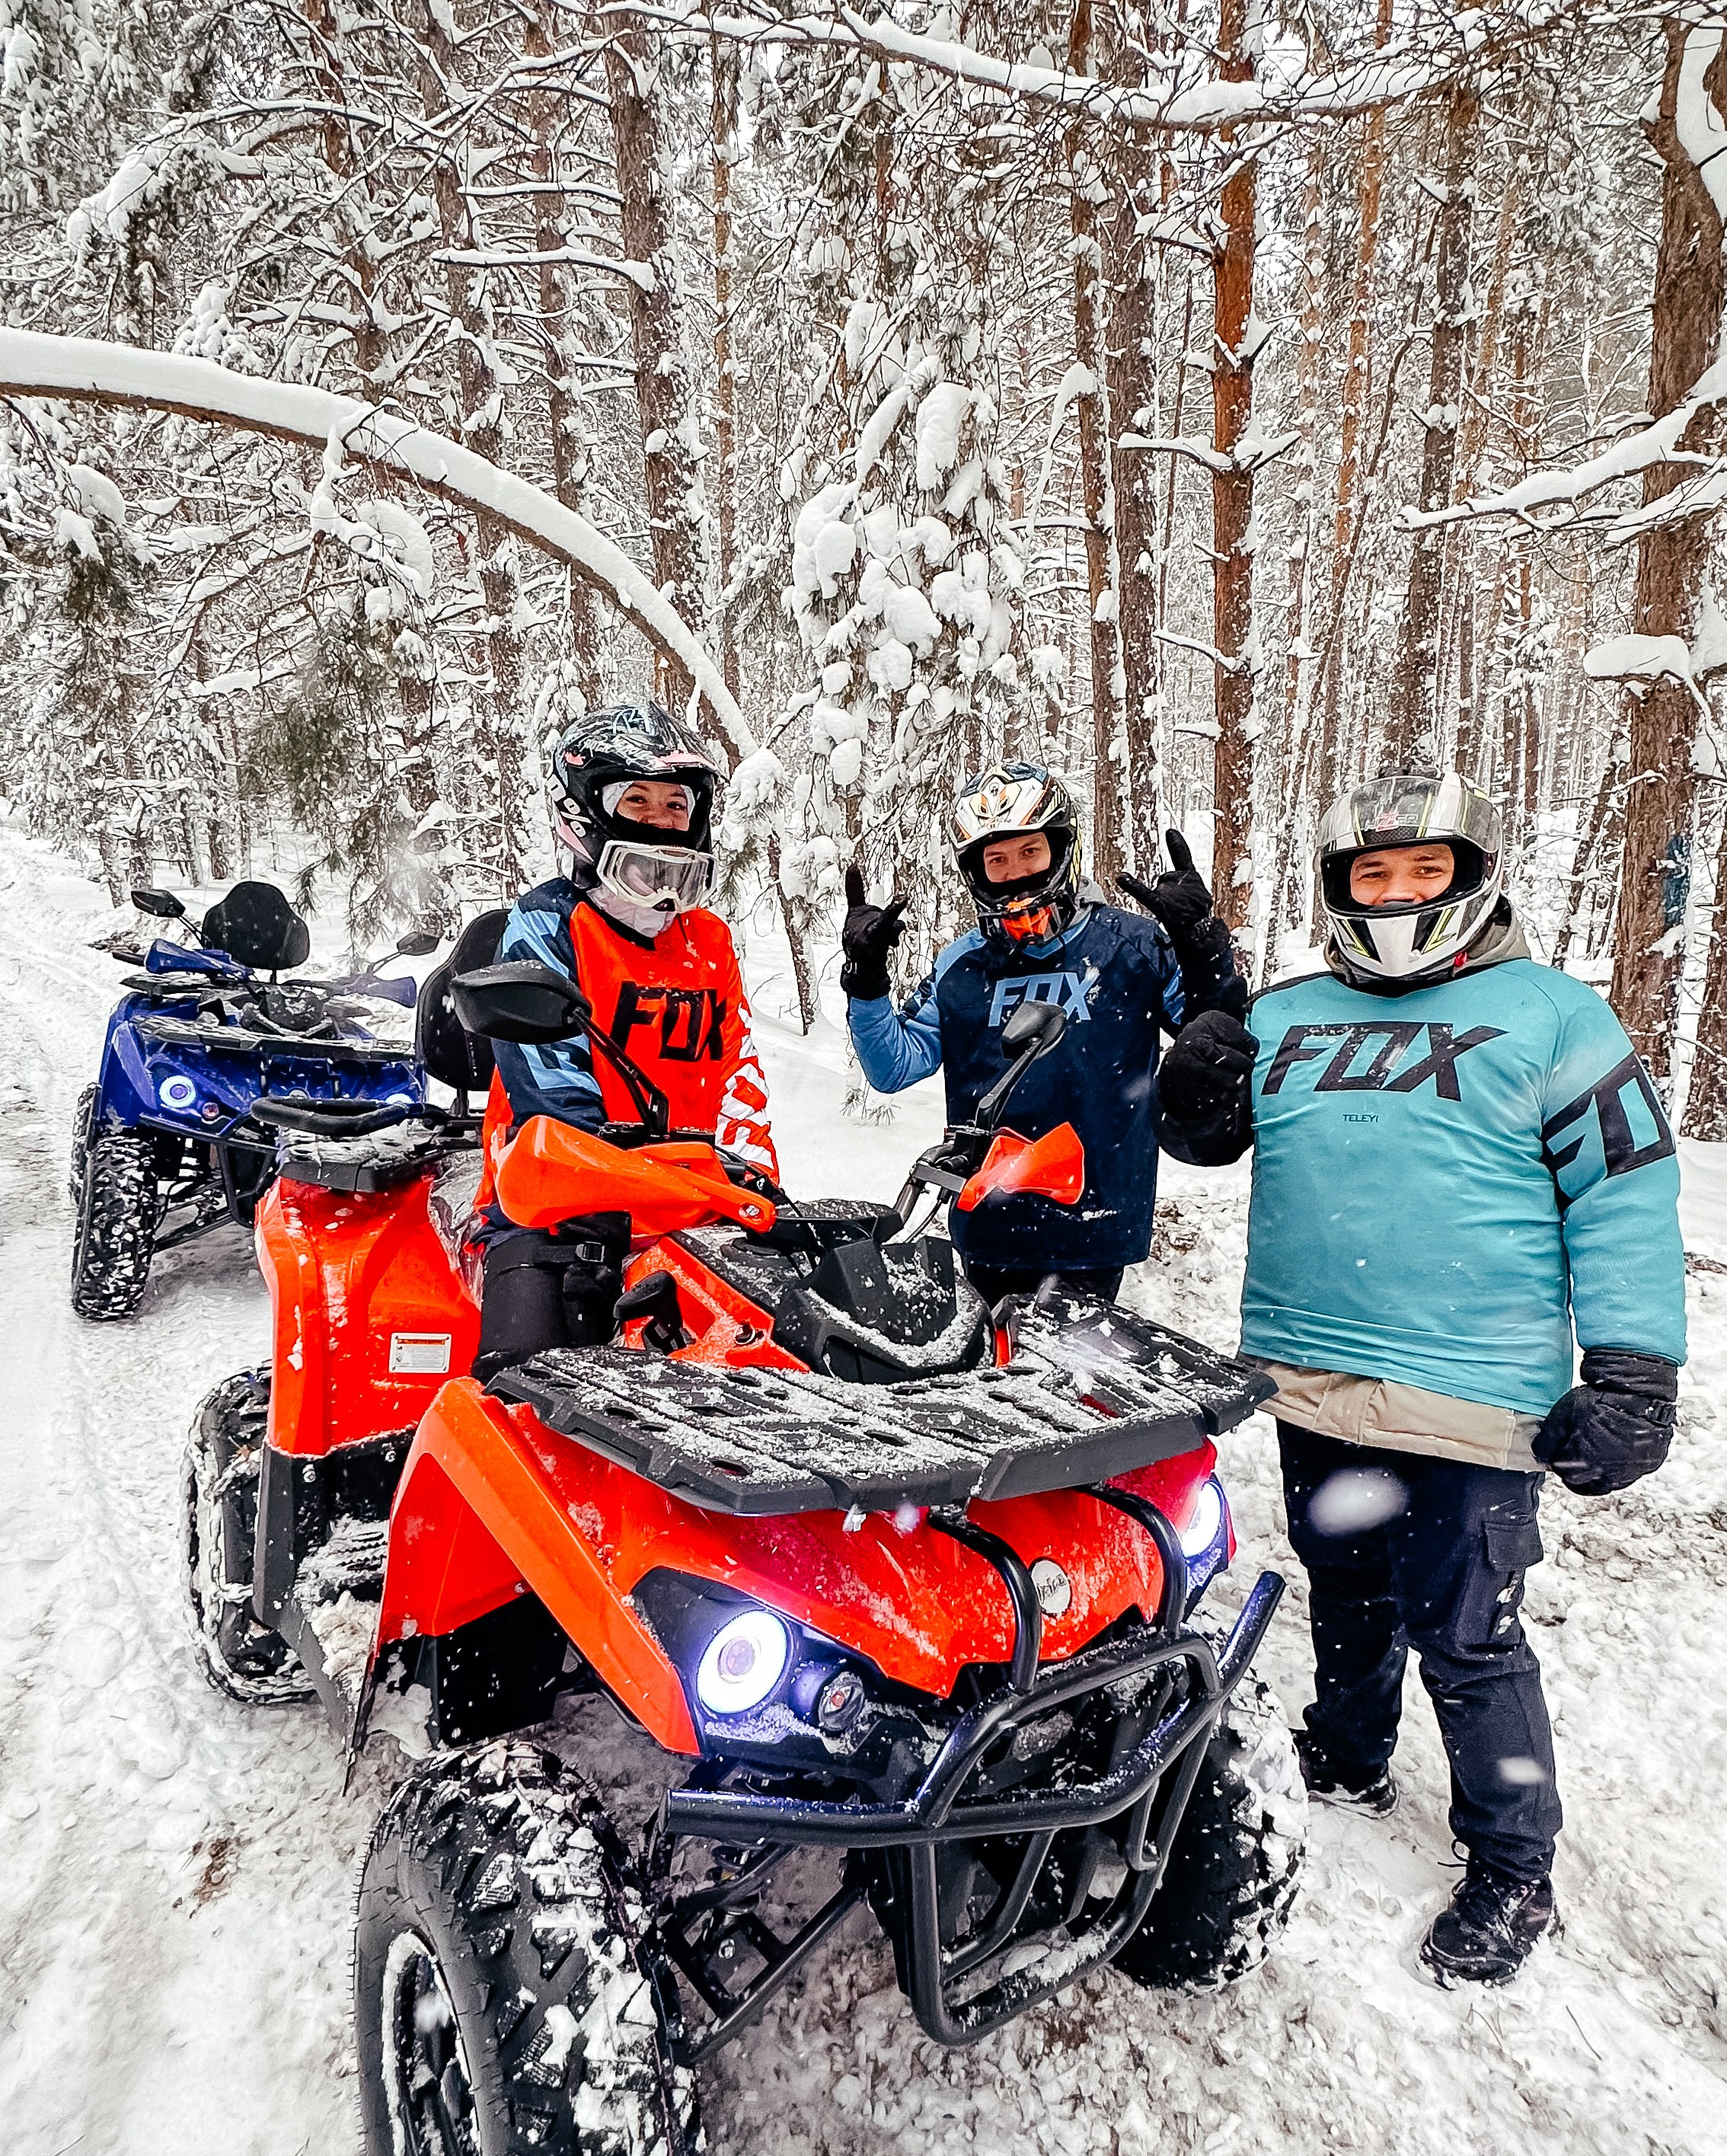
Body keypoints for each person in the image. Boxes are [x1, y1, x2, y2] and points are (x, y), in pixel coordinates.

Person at [1157, 770, 1685, 1985]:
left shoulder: (1555, 1015)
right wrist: (1192, 1083)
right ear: (1339, 889)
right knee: (1342, 1575)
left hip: (1472, 1384)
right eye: (1372, 875)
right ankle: (1348, 1749)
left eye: (1423, 871)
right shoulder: (1290, 1014)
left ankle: (1513, 1864)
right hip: (1313, 1370)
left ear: (1469, 875)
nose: (1396, 893)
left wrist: (1633, 1367)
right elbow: (1207, 1131)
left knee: (1466, 1624)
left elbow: (1624, 1191)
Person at [841, 759, 1244, 1306]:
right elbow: (893, 1066)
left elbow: (1214, 1030)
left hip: (1096, 1223)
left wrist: (1200, 941)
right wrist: (866, 982)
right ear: (976, 870)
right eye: (997, 859)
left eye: (1030, 851)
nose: (1015, 871)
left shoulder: (1131, 945)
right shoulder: (960, 964)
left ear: (1060, 846)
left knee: (1073, 1385)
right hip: (987, 1225)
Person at [472, 703, 777, 1379]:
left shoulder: (709, 941)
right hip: (556, 1205)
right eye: (637, 799)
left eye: (676, 803)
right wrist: (608, 1199)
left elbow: (740, 1079)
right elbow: (551, 1099)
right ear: (584, 810)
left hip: (697, 1203)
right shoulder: (549, 923)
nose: (662, 819)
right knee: (528, 1389)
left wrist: (759, 1187)